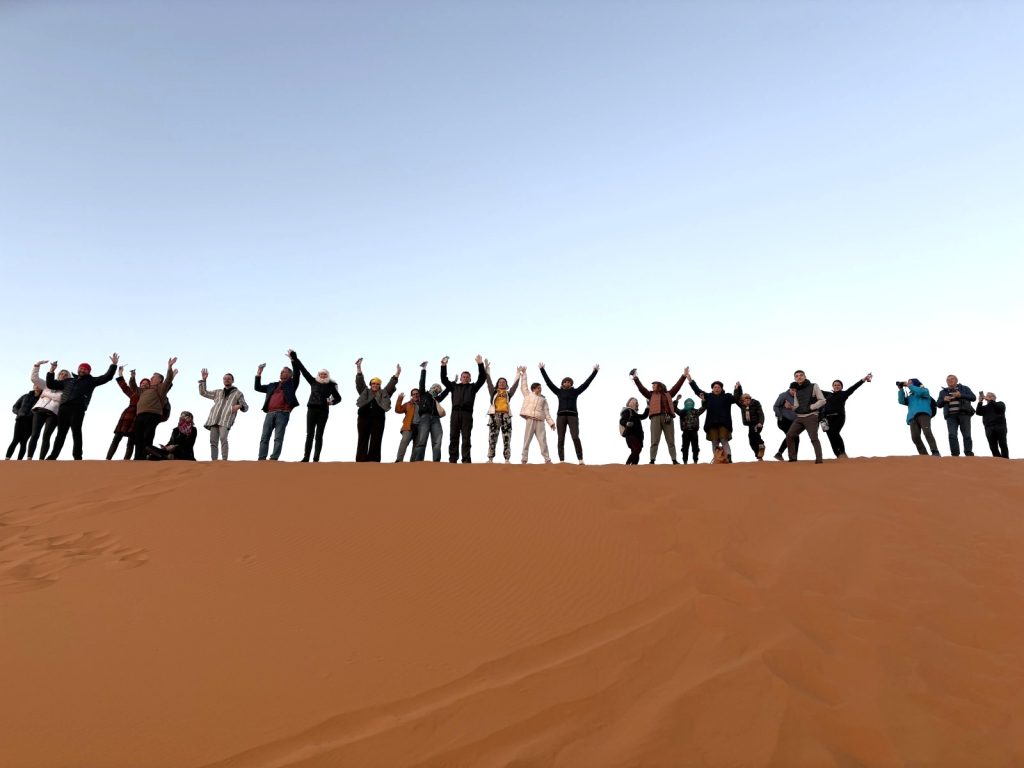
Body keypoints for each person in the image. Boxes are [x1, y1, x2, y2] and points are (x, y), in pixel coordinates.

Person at [45, 353, 119, 460]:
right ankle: (53, 456)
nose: (82, 370)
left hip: (78, 408)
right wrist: (51, 370)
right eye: (81, 368)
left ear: (89, 371)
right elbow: (51, 384)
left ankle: (77, 456)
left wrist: (113, 365)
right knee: (60, 433)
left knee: (76, 431)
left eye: (85, 369)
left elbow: (107, 377)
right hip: (64, 408)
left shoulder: (91, 381)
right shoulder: (68, 381)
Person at [539, 362, 599, 464]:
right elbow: (549, 383)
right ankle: (562, 461)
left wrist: (595, 372)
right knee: (561, 438)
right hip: (561, 416)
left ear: (571, 384)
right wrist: (542, 370)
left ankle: (580, 459)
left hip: (573, 416)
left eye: (569, 382)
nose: (567, 383)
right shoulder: (558, 392)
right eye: (565, 382)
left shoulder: (575, 392)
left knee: (575, 437)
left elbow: (586, 383)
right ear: (562, 383)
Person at [630, 367, 687, 464]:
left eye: (654, 385)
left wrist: (684, 376)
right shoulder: (650, 394)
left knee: (671, 441)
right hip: (655, 418)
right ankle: (652, 460)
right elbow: (641, 388)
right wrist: (636, 378)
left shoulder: (669, 393)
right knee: (654, 440)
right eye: (652, 385)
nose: (652, 386)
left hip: (668, 417)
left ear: (659, 386)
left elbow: (677, 386)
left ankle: (674, 460)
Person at [292, 352, 342, 463]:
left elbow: (339, 398)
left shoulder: (331, 385)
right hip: (312, 409)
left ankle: (316, 459)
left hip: (323, 411)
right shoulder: (313, 381)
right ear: (318, 375)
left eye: (325, 374)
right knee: (309, 434)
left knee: (319, 435)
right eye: (321, 374)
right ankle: (306, 457)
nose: (323, 375)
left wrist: (331, 403)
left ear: (327, 375)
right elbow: (303, 370)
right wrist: (294, 358)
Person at [687, 368, 742, 463]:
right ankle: (717, 458)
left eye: (718, 387)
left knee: (724, 439)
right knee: (714, 441)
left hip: (724, 423)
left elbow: (736, 398)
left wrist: (738, 388)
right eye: (715, 387)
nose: (717, 389)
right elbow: (697, 391)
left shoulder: (727, 397)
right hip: (711, 423)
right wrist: (690, 381)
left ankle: (728, 457)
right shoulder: (708, 396)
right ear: (712, 389)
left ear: (721, 388)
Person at [255, 351, 302, 461]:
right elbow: (257, 387)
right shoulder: (272, 385)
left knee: (278, 438)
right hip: (269, 414)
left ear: (289, 375)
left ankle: (274, 458)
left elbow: (297, 373)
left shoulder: (291, 384)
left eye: (284, 371)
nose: (281, 373)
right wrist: (259, 373)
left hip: (283, 413)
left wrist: (293, 360)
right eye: (281, 371)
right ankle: (261, 458)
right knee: (264, 437)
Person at [440, 355, 487, 463]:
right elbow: (444, 379)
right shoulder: (454, 387)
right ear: (460, 378)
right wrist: (443, 366)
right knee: (453, 437)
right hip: (455, 414)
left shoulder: (473, 387)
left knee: (466, 437)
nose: (465, 378)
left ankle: (466, 459)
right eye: (463, 377)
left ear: (470, 379)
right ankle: (453, 459)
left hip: (467, 414)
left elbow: (482, 378)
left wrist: (480, 364)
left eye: (467, 377)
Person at [354, 357, 399, 462]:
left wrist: (397, 374)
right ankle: (360, 460)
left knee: (376, 439)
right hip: (363, 418)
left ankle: (373, 461)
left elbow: (391, 385)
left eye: (377, 384)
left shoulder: (384, 393)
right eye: (373, 383)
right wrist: (358, 367)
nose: (375, 385)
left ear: (380, 385)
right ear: (370, 385)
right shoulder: (364, 391)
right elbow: (360, 382)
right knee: (362, 438)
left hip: (378, 419)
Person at [199, 369, 249, 460]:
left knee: (223, 438)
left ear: (232, 380)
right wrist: (204, 380)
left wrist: (239, 406)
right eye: (225, 378)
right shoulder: (218, 392)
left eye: (229, 378)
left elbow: (246, 407)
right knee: (213, 441)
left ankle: (224, 461)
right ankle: (214, 461)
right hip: (214, 419)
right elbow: (203, 393)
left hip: (226, 420)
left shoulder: (238, 394)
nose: (226, 380)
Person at [133, 358, 178, 460]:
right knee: (138, 439)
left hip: (152, 415)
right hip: (140, 415)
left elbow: (168, 380)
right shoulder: (144, 390)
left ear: (159, 380)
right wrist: (132, 377)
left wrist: (169, 367)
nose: (151, 378)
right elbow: (133, 388)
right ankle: (137, 459)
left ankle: (162, 455)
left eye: (154, 377)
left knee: (147, 439)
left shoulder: (161, 388)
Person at [819, 374, 872, 459]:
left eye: (838, 385)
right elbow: (817, 390)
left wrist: (864, 379)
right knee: (830, 437)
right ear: (833, 386)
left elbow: (854, 387)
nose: (836, 386)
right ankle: (838, 455)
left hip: (839, 417)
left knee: (835, 433)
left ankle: (842, 453)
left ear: (841, 387)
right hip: (827, 419)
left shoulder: (844, 394)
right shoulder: (828, 394)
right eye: (835, 385)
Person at [783, 370, 826, 464]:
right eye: (796, 376)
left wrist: (811, 407)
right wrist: (791, 407)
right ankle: (792, 458)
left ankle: (819, 460)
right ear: (795, 378)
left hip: (811, 416)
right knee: (789, 435)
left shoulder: (814, 386)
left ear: (805, 376)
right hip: (799, 417)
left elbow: (822, 400)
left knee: (813, 438)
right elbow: (797, 406)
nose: (799, 377)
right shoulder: (796, 390)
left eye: (801, 375)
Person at [26, 361, 66, 460]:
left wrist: (46, 394)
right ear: (58, 375)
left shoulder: (67, 389)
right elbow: (34, 379)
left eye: (66, 375)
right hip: (39, 410)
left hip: (53, 414)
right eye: (61, 373)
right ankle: (29, 458)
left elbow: (60, 398)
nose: (63, 375)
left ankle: (41, 460)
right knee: (34, 434)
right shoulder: (47, 384)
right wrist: (37, 365)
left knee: (46, 437)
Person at [412, 362, 449, 462]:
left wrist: (453, 383)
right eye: (435, 387)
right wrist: (423, 370)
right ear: (432, 387)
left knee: (437, 440)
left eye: (439, 389)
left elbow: (446, 392)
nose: (437, 389)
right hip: (425, 417)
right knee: (422, 440)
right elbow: (422, 382)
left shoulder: (437, 398)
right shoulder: (423, 393)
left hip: (436, 419)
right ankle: (418, 462)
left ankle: (436, 462)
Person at [485, 360, 521, 463]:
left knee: (507, 438)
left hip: (506, 416)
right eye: (500, 382)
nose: (502, 383)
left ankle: (507, 459)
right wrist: (487, 369)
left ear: (506, 385)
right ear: (497, 384)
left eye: (504, 382)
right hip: (494, 415)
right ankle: (490, 458)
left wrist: (518, 373)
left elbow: (515, 386)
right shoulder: (493, 392)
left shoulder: (508, 393)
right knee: (492, 437)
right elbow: (488, 382)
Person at [518, 367, 556, 463]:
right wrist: (524, 374)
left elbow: (547, 412)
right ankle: (524, 459)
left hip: (540, 421)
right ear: (533, 389)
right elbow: (524, 386)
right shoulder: (528, 395)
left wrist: (551, 423)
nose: (540, 389)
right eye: (538, 388)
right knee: (527, 440)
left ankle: (547, 459)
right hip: (530, 419)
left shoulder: (543, 399)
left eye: (541, 388)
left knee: (542, 440)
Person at [936, 374, 977, 457]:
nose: (950, 381)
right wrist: (944, 400)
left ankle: (968, 452)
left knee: (967, 434)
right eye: (948, 380)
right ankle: (955, 454)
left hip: (964, 414)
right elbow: (938, 404)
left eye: (952, 379)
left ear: (956, 380)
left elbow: (973, 397)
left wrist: (961, 395)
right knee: (952, 434)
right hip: (951, 416)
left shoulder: (964, 388)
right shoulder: (943, 392)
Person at [898, 379, 941, 456]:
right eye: (908, 383)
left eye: (910, 382)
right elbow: (901, 401)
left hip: (924, 414)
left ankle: (935, 451)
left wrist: (909, 386)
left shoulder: (924, 391)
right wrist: (901, 389)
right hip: (912, 417)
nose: (908, 383)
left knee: (927, 432)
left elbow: (920, 392)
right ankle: (924, 455)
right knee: (915, 437)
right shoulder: (910, 397)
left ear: (915, 383)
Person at [106, 366, 139, 461]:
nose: (144, 385)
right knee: (116, 438)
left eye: (146, 383)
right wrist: (120, 373)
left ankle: (126, 461)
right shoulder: (134, 394)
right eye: (142, 383)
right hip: (127, 415)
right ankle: (108, 459)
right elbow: (124, 387)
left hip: (137, 418)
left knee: (131, 441)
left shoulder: (148, 396)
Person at [7, 383, 40, 460]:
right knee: (15, 440)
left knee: (24, 442)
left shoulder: (42, 399)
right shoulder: (25, 396)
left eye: (39, 385)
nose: (37, 386)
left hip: (31, 422)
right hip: (20, 420)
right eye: (35, 385)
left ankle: (20, 461)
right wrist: (19, 412)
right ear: (33, 386)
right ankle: (7, 459)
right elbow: (15, 406)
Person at [976, 391, 1008, 459]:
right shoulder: (985, 407)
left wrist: (991, 401)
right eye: (987, 396)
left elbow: (1000, 408)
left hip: (1000, 427)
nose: (988, 397)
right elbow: (978, 412)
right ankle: (998, 460)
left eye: (990, 396)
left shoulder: (1000, 403)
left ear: (994, 398)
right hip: (989, 428)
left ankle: (1006, 459)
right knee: (993, 446)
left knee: (1002, 444)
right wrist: (980, 402)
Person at [772, 385, 799, 461]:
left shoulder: (798, 396)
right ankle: (791, 456)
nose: (794, 392)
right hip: (783, 421)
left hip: (794, 421)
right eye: (792, 390)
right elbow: (775, 406)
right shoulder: (783, 395)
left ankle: (785, 455)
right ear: (789, 389)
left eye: (796, 390)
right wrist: (779, 416)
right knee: (792, 436)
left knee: (794, 437)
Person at [619, 397, 649, 465]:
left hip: (638, 436)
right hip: (631, 435)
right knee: (637, 449)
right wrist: (626, 423)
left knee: (636, 452)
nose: (635, 403)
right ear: (629, 403)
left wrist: (648, 406)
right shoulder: (627, 411)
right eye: (633, 401)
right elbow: (622, 421)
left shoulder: (635, 414)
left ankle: (633, 468)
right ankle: (627, 465)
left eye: (636, 402)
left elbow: (644, 416)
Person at [393, 389, 421, 462]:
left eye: (417, 393)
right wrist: (400, 399)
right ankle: (399, 460)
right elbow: (398, 410)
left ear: (419, 394)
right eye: (413, 394)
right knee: (404, 442)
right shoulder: (408, 404)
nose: (415, 395)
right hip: (409, 426)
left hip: (420, 427)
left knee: (417, 446)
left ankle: (413, 462)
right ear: (411, 395)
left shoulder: (423, 404)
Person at [676, 397, 705, 464]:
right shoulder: (682, 412)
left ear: (693, 404)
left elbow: (703, 408)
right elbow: (674, 408)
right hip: (685, 432)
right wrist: (677, 400)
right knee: (685, 448)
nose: (689, 404)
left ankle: (695, 461)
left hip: (694, 432)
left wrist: (703, 399)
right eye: (687, 403)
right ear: (685, 404)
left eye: (690, 402)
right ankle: (685, 461)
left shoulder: (696, 411)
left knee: (695, 448)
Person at [738, 393, 766, 461]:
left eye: (748, 400)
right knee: (751, 440)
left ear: (750, 399)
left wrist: (760, 422)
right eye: (745, 401)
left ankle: (761, 444)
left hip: (757, 423)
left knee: (754, 433)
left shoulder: (755, 404)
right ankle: (758, 455)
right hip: (750, 425)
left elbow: (761, 414)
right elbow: (737, 397)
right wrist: (737, 389)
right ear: (742, 402)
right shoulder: (742, 406)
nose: (747, 402)